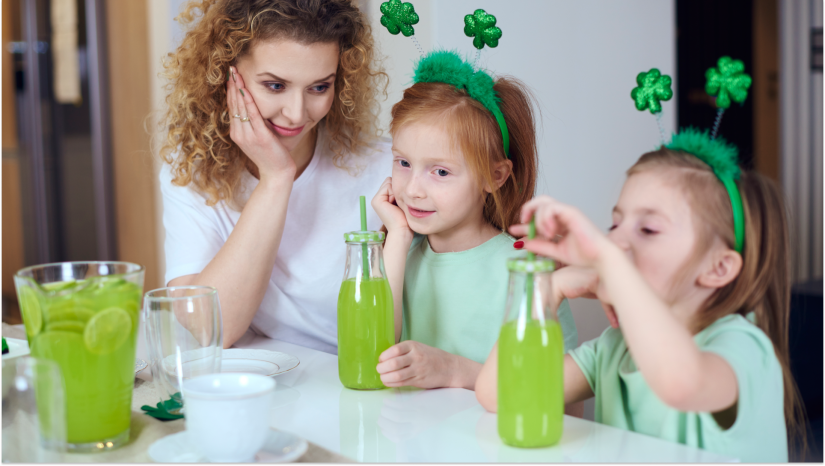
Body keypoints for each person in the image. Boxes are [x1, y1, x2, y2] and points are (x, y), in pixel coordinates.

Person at [476, 130, 805, 462]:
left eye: (648, 229)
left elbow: (680, 383)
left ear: (718, 268)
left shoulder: (744, 346)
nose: (615, 242)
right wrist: (548, 290)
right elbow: (500, 395)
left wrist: (609, 263)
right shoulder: (614, 347)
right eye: (615, 226)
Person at [157, 0, 390, 351]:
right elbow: (210, 328)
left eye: (319, 87)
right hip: (269, 376)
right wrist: (276, 178)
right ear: (226, 74)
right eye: (276, 86)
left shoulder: (385, 167)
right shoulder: (192, 170)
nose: (296, 114)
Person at [370, 51, 578, 391]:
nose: (412, 190)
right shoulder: (398, 252)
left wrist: (455, 371)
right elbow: (370, 359)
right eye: (403, 163)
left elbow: (564, 398)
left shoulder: (525, 269)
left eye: (440, 172)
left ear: (494, 176)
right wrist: (397, 236)